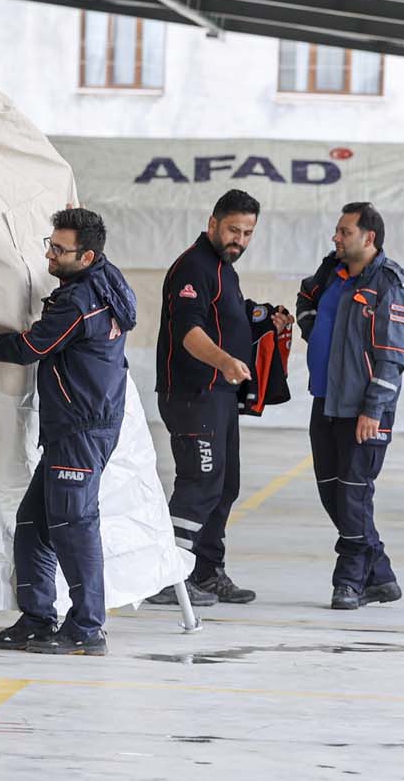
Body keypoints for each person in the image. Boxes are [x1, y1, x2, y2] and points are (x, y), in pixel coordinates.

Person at [0, 207, 135, 657]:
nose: (50, 255)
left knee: (74, 525)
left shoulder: (78, 301)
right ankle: (37, 617)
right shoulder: (107, 280)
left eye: (59, 250)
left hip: (80, 429)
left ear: (85, 257)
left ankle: (87, 628)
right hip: (79, 425)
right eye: (50, 244)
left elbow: (30, 347)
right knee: (34, 522)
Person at [296, 202, 404, 610]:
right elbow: (306, 300)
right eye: (337, 230)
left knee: (353, 496)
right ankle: (381, 575)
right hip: (326, 401)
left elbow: (393, 356)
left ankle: (350, 581)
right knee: (333, 495)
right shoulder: (329, 274)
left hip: (365, 411)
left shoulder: (389, 285)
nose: (336, 237)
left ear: (369, 238)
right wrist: (316, 335)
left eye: (344, 231)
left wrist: (373, 409)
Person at [148, 189, 266, 609]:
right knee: (199, 484)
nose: (239, 239)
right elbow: (189, 332)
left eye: (248, 232)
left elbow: (225, 317)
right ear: (213, 223)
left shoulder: (223, 269)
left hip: (219, 395)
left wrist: (262, 316)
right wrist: (226, 361)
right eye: (233, 229)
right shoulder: (192, 267)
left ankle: (205, 572)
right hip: (192, 394)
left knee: (224, 485)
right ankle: (168, 577)